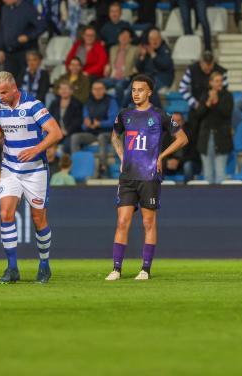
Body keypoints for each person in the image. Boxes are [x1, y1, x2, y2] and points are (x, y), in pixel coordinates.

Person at [105, 74, 188, 281]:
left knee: (148, 222)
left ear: (149, 92)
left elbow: (182, 138)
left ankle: (145, 269)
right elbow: (114, 135)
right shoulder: (124, 114)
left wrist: (161, 155)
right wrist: (122, 155)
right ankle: (116, 269)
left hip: (149, 175)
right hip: (128, 177)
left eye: (140, 90)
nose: (136, 93)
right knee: (122, 221)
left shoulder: (159, 115)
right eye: (133, 90)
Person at [0, 71, 63, 283]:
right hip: (10, 168)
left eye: (4, 92)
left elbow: (56, 133)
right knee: (5, 214)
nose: (1, 96)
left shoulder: (33, 105)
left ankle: (44, 265)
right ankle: (12, 268)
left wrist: (36, 149)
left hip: (35, 170)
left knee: (38, 218)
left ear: (15, 89)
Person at [71, 80, 119, 177]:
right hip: (92, 133)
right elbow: (84, 124)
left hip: (109, 133)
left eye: (100, 89)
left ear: (104, 90)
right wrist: (86, 124)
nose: (97, 91)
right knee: (75, 137)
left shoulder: (111, 101)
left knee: (102, 137)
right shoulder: (88, 102)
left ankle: (103, 168)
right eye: (95, 89)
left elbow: (114, 120)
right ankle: (76, 166)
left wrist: (100, 124)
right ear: (92, 91)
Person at [196, 71, 233, 184]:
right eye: (216, 81)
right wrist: (208, 103)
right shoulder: (204, 95)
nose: (219, 83)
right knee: (207, 173)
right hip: (206, 138)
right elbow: (198, 114)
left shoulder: (227, 96)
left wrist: (216, 102)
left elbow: (227, 113)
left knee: (220, 172)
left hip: (221, 138)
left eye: (221, 81)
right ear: (210, 83)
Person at [0, 0, 46, 80]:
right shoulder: (4, 9)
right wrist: (0, 49)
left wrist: (28, 36)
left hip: (25, 53)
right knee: (9, 84)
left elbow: (42, 26)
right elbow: (1, 30)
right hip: (9, 54)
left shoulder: (28, 7)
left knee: (24, 83)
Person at [102, 27, 138, 107]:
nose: (123, 38)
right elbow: (110, 63)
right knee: (98, 84)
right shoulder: (113, 49)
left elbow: (139, 63)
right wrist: (107, 67)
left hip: (126, 77)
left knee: (119, 87)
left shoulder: (135, 49)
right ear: (118, 37)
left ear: (130, 39)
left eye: (126, 36)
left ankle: (121, 109)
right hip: (113, 77)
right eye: (122, 35)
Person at [48, 80, 83, 154]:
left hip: (71, 132)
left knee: (67, 146)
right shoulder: (54, 103)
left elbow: (78, 121)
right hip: (56, 131)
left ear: (71, 91)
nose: (63, 91)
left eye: (66, 89)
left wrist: (67, 130)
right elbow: (49, 118)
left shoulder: (77, 103)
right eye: (61, 89)